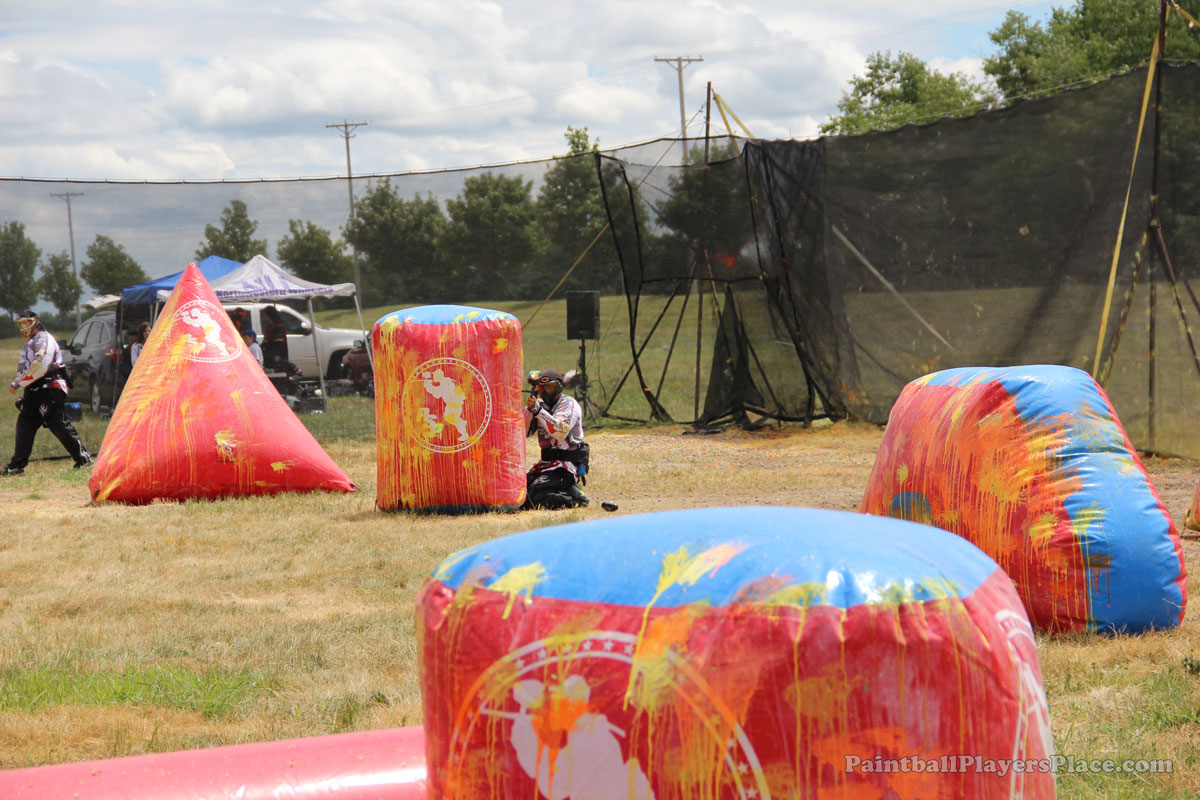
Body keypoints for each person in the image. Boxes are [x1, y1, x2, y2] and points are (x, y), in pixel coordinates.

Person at [3, 311, 92, 475]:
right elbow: (27, 367)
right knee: (25, 424)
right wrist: (23, 384)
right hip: (34, 390)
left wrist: (18, 382)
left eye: (26, 323)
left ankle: (83, 459)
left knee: (57, 423)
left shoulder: (43, 338)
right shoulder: (32, 341)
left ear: (35, 322)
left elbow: (41, 364)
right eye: (20, 324)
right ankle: (16, 465)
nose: (23, 327)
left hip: (50, 387)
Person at [522, 368, 589, 509]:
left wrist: (539, 411)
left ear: (559, 387)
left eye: (550, 387)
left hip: (566, 467)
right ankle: (567, 489)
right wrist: (529, 411)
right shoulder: (539, 405)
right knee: (519, 491)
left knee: (530, 498)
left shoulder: (568, 404)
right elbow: (524, 432)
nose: (545, 392)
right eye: (541, 388)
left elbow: (560, 432)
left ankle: (574, 497)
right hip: (545, 465)